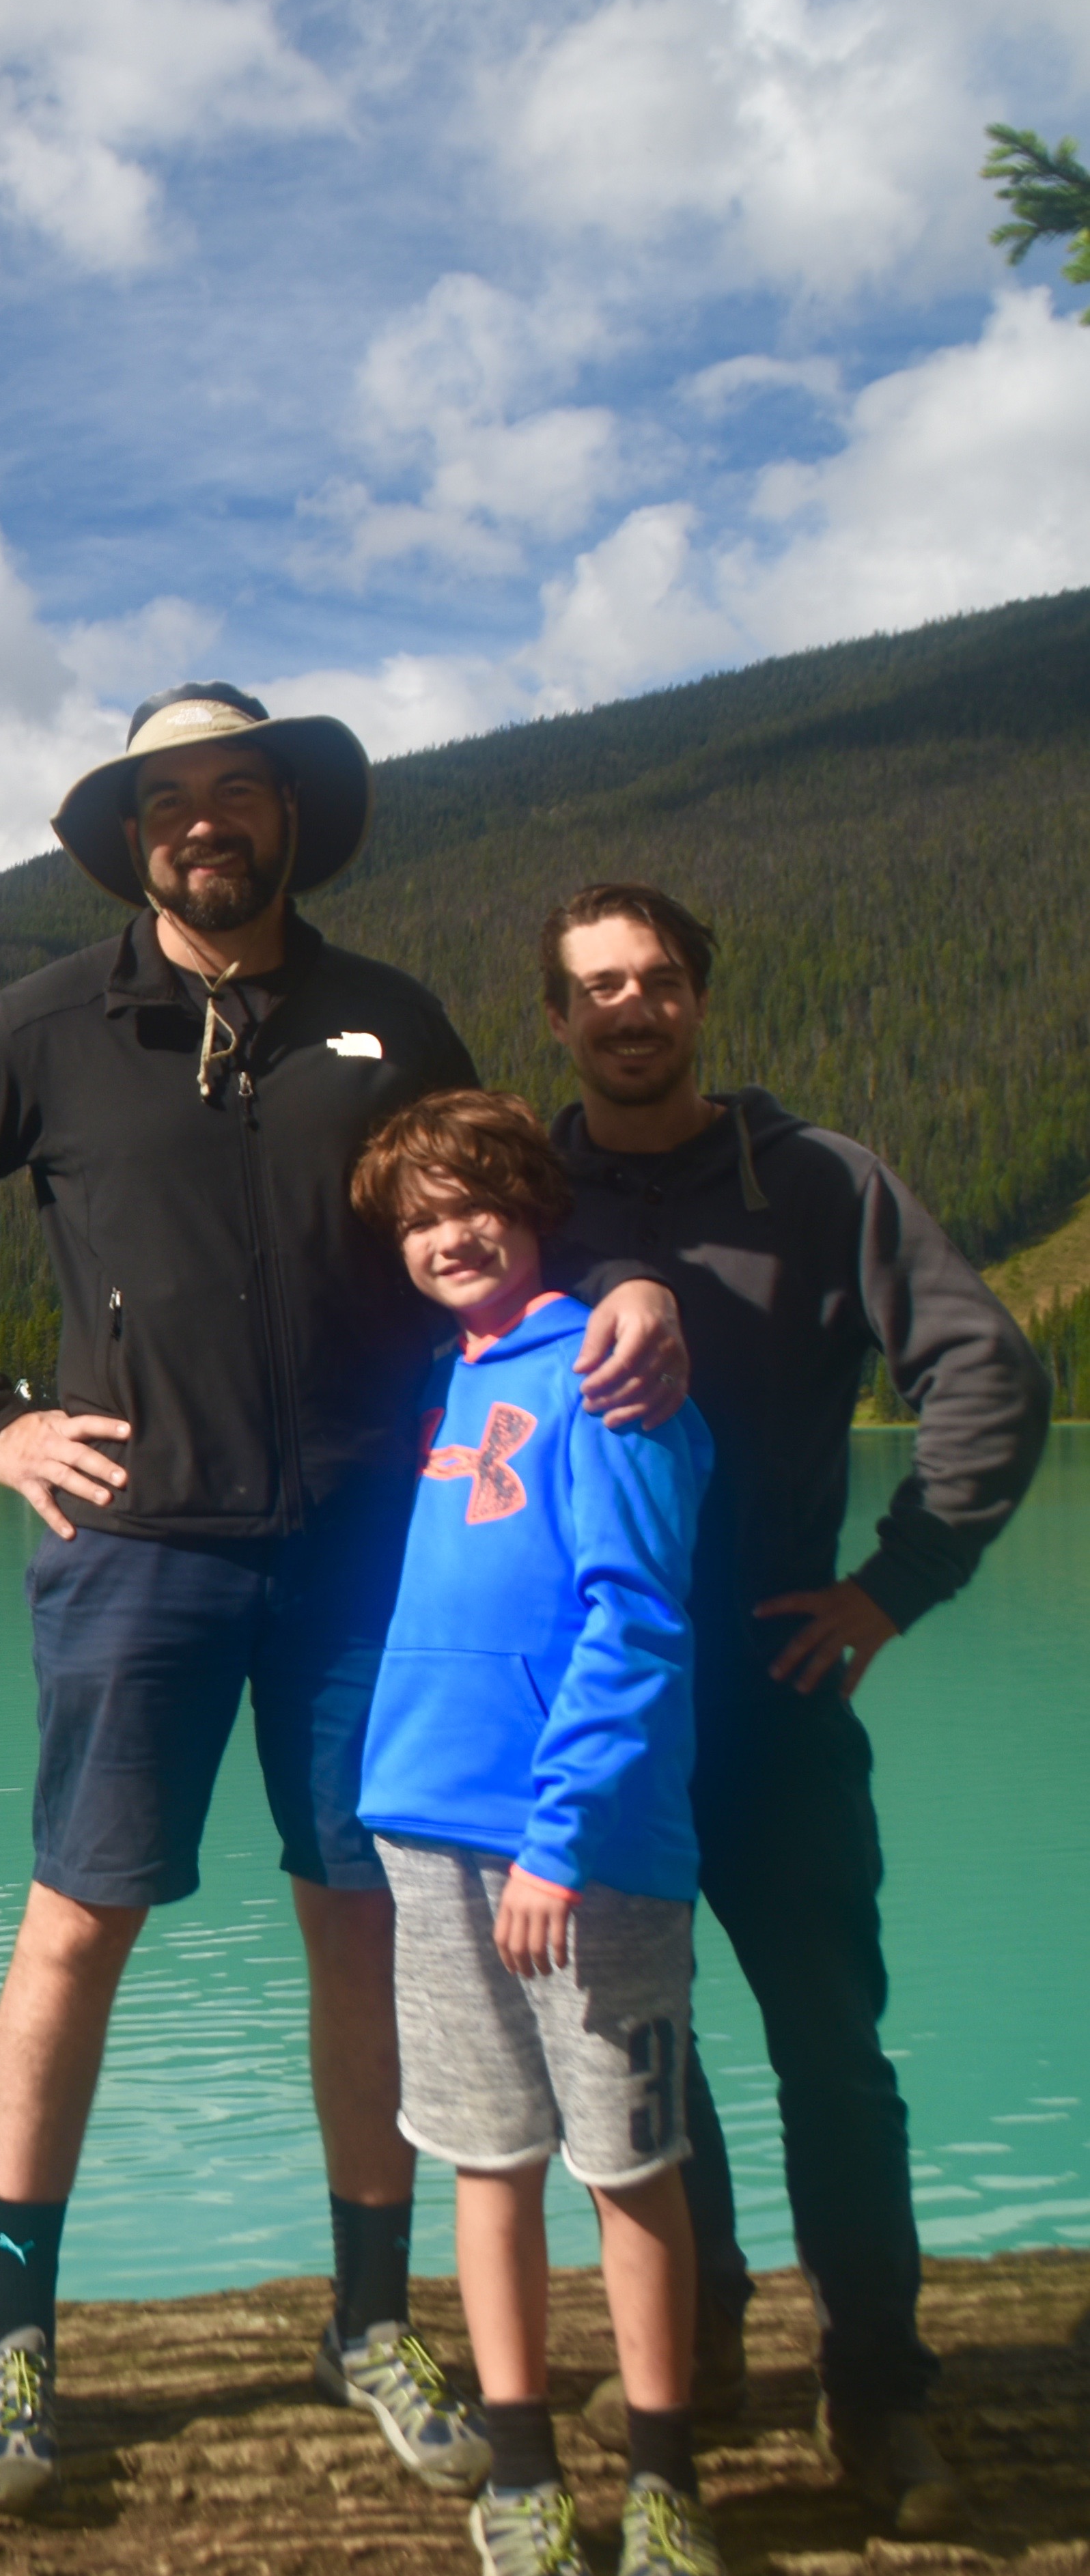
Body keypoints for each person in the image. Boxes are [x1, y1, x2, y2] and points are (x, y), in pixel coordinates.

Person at [0, 684, 687, 2513]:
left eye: (235, 789)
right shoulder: (54, 1023)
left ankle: (365, 2317)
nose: (201, 820)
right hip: (134, 1545)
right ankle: (10, 2335)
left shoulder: (385, 1016)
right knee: (76, 1922)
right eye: (166, 799)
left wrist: (620, 1281)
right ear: (133, 834)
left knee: (363, 1922)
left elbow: (499, 1197)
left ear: (288, 815)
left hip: (370, 1551)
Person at [535, 882, 1050, 2538]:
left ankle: (879, 2386)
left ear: (699, 999)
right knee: (638, 2065)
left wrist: (893, 1585)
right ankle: (705, 2336)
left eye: (659, 978)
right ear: (557, 1020)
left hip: (772, 1685)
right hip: (603, 1716)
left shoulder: (817, 1179)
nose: (632, 1006)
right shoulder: (521, 1195)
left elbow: (985, 1372)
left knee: (832, 2053)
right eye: (598, 985)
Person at [351, 1089, 723, 2576]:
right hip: (425, 1830)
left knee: (627, 2166)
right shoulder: (453, 1379)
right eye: (418, 1217)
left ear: (534, 1204)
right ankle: (520, 2468)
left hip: (584, 1850)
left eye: (475, 1203)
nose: (449, 1234)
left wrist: (559, 1839)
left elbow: (632, 1623)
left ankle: (664, 2478)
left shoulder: (613, 1370)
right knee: (480, 2154)